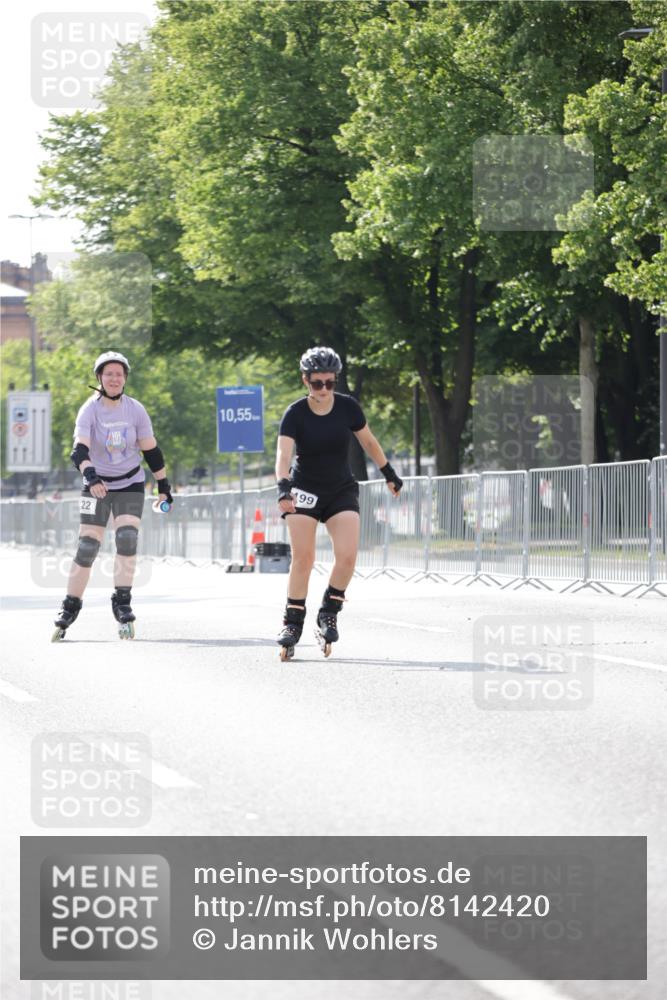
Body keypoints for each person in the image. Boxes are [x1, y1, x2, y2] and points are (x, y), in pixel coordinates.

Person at [275, 346, 403, 659]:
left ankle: (328, 611)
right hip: (304, 489)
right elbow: (283, 454)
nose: (323, 390)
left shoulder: (348, 408)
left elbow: (369, 442)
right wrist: (283, 487)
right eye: (317, 383)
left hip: (340, 488)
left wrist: (388, 472)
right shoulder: (295, 413)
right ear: (305, 380)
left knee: (347, 556)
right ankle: (293, 622)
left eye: (330, 383)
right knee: (304, 558)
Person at [52, 351, 173, 641]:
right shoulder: (89, 410)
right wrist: (91, 476)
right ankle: (69, 606)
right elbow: (78, 450)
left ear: (125, 378)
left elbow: (151, 451)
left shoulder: (136, 410)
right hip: (96, 484)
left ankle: (122, 603)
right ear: (100, 378)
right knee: (87, 547)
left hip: (130, 483)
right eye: (109, 374)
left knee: (127, 538)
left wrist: (164, 485)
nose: (115, 379)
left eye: (119, 374)